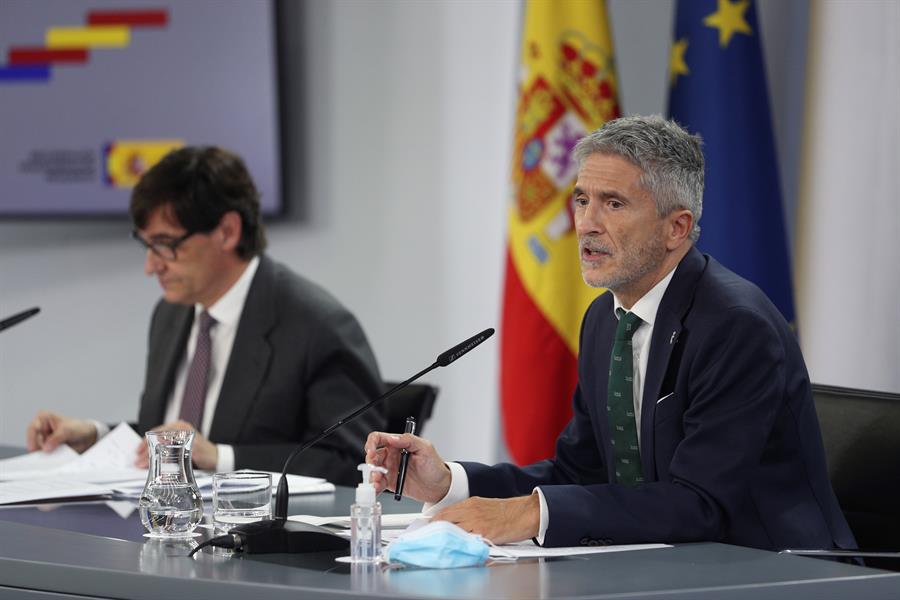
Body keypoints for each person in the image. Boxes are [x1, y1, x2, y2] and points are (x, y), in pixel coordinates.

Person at [366, 116, 855, 550]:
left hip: (775, 571)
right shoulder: (605, 319)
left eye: (613, 204)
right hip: (667, 566)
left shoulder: (734, 325)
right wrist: (449, 482)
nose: (586, 224)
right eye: (582, 200)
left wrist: (529, 513)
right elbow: (581, 471)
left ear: (676, 228)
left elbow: (701, 504)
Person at [27, 146, 384, 486]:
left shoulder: (316, 326)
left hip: (258, 527)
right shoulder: (171, 313)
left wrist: (220, 458)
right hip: (166, 519)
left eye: (165, 244)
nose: (151, 266)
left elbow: (351, 462)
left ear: (227, 231)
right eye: (147, 245)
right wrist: (94, 435)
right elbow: (171, 432)